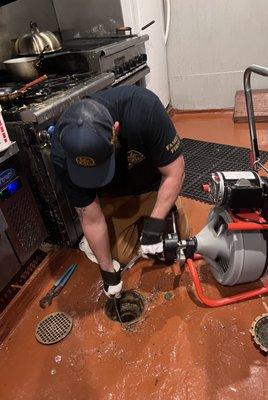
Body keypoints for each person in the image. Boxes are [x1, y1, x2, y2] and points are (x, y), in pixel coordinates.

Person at [51, 85, 189, 298]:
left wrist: (154, 228)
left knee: (175, 246)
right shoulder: (61, 154)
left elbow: (175, 172)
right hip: (113, 197)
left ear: (115, 130)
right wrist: (108, 273)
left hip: (154, 187)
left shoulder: (144, 108)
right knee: (119, 257)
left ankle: (154, 222)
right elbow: (90, 216)